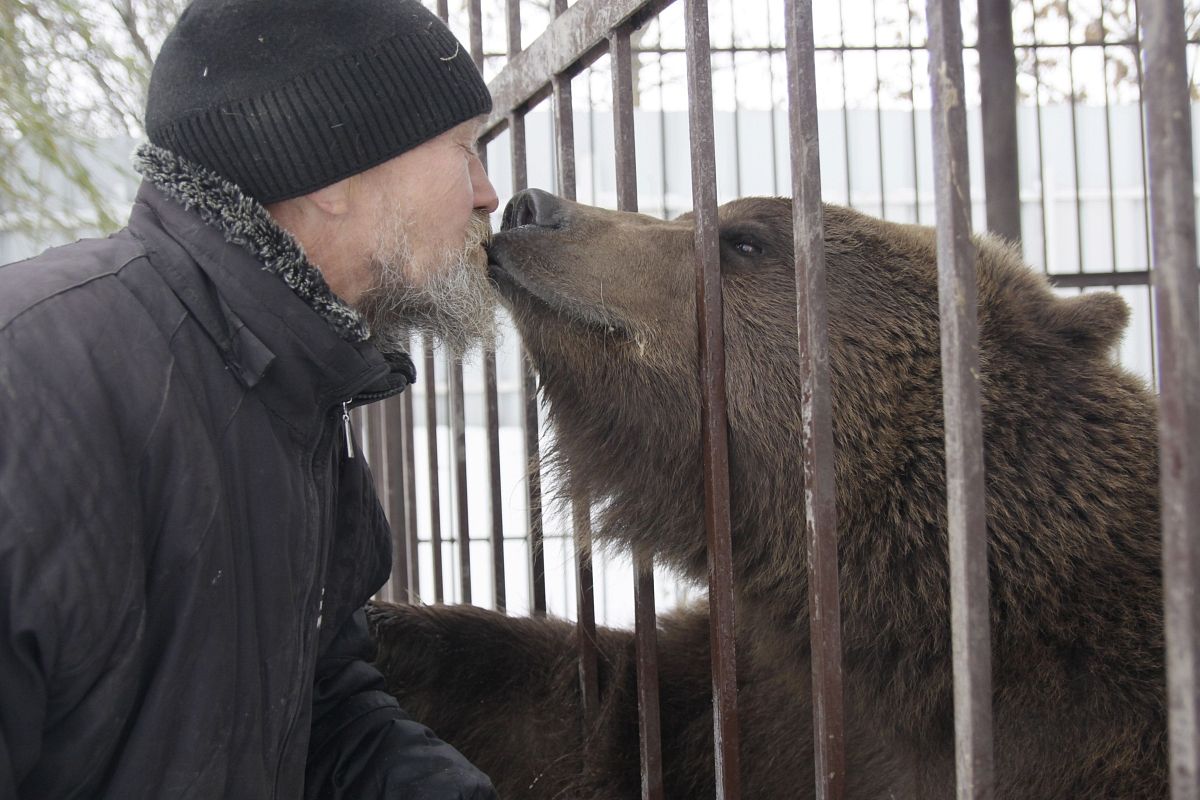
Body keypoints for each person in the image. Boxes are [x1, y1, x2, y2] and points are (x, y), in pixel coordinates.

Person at [0, 0, 501, 797]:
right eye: (464, 149)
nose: (486, 192)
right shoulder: (32, 378)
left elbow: (311, 712)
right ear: (335, 173)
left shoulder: (289, 390)